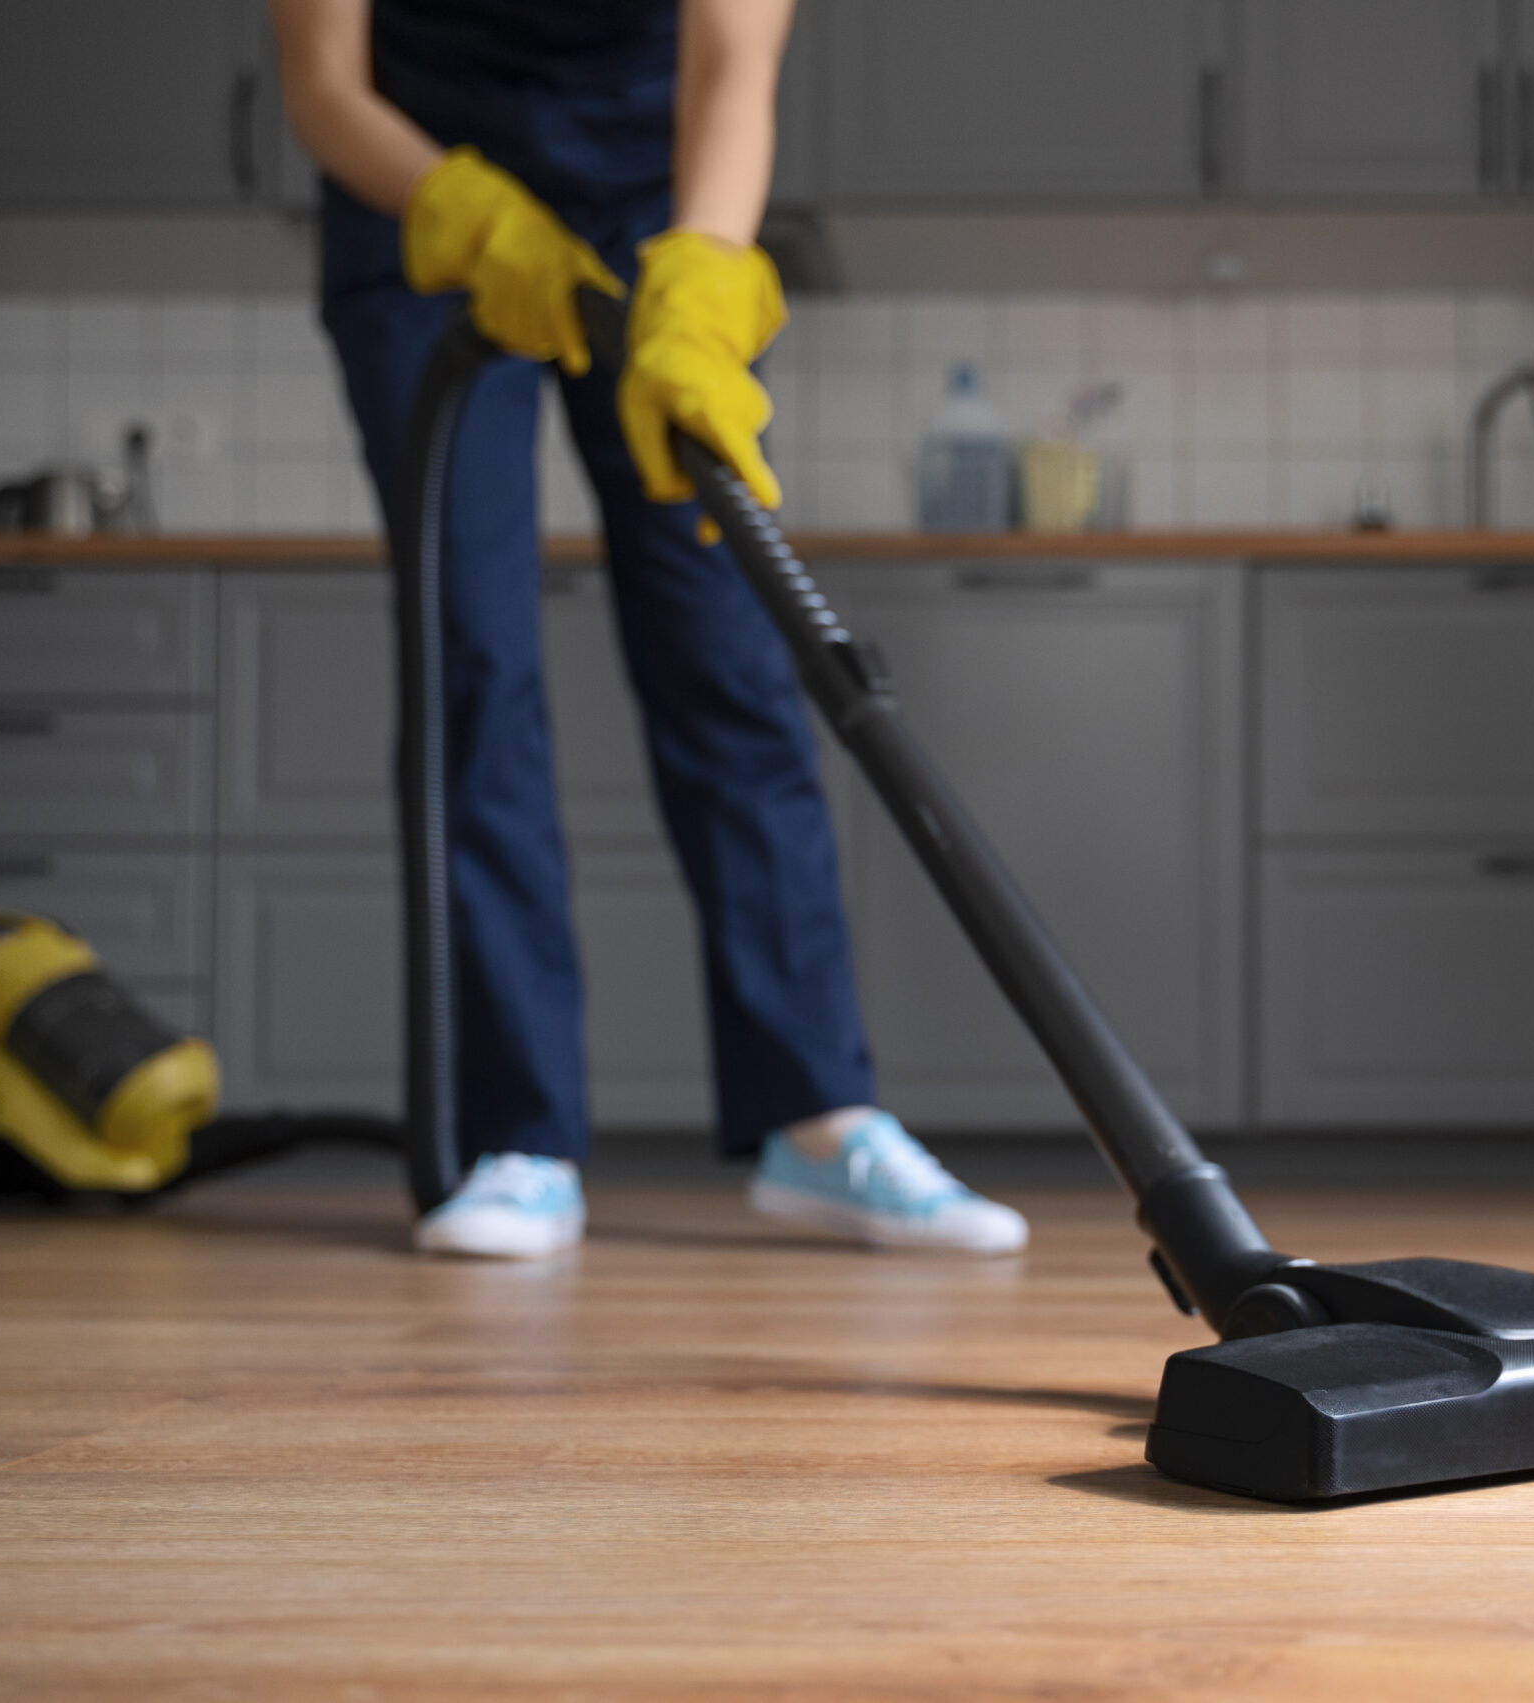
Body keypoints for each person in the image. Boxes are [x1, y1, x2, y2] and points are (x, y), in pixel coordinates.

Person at [267, 0, 1027, 1260]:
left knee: (727, 655)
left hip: (649, 200)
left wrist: (702, 275)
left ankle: (820, 1120)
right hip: (421, 203)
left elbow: (733, 66)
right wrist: (475, 213)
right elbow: (323, 88)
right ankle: (514, 1139)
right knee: (475, 656)